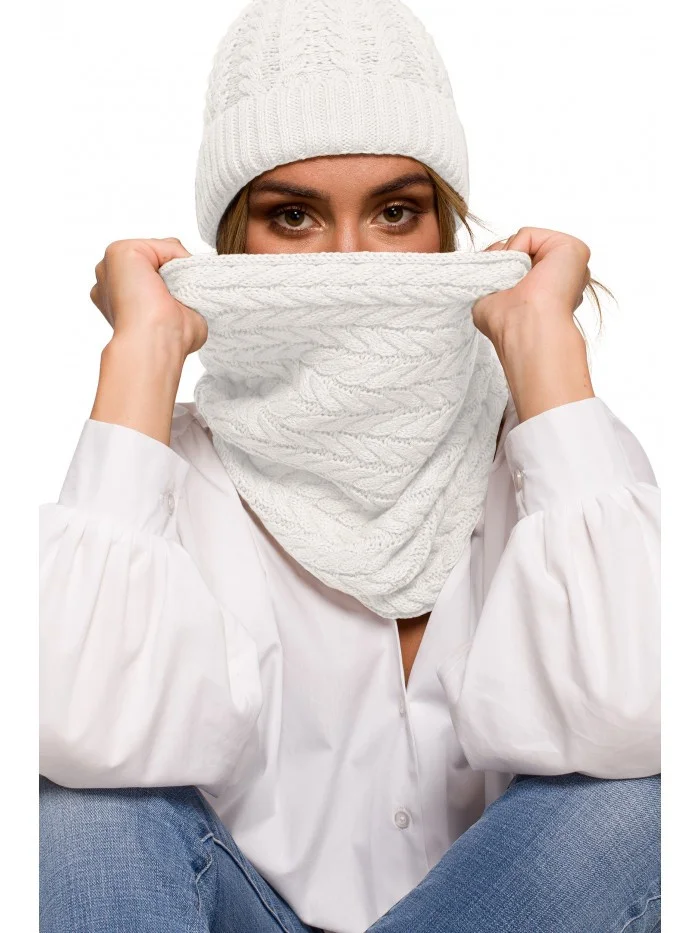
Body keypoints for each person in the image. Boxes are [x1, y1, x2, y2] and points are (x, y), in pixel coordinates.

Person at [38, 1, 661, 932]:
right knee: (74, 817)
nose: (348, 261)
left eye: (395, 213)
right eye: (292, 217)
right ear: (234, 242)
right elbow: (65, 727)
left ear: (445, 230)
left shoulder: (559, 460)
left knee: (640, 803)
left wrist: (546, 351)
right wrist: (140, 357)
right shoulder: (163, 474)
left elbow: (644, 713)